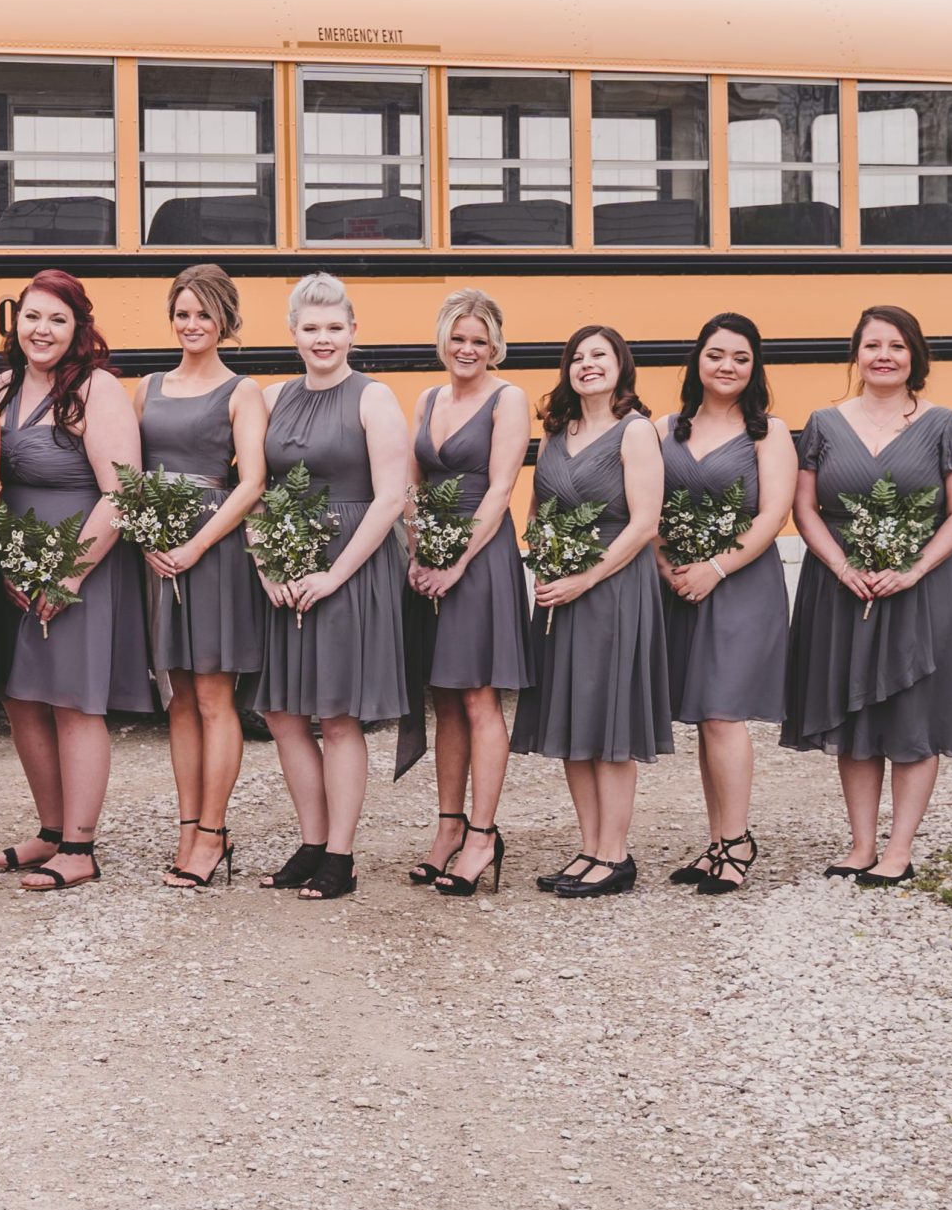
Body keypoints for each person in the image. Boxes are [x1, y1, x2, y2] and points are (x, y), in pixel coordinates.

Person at [782, 305, 952, 887]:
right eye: (873, 345)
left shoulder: (945, 424)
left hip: (920, 589)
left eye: (896, 346)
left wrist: (913, 570)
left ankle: (899, 849)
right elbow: (804, 508)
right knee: (856, 714)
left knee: (914, 717)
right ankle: (861, 844)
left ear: (914, 356)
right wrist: (842, 566)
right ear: (857, 354)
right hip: (843, 588)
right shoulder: (823, 422)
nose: (884, 356)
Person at [0, 270, 150, 894]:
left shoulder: (95, 390)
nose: (42, 330)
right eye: (32, 317)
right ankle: (51, 832)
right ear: (15, 322)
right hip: (17, 566)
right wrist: (4, 562)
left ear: (78, 327)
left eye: (57, 319)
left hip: (81, 563)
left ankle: (80, 847)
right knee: (21, 697)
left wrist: (67, 576)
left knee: (74, 702)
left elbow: (122, 493)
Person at [248, 272, 412, 903]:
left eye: (334, 327)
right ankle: (311, 841)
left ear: (353, 331)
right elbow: (256, 493)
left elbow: (390, 497)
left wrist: (333, 575)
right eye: (310, 328)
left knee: (338, 719)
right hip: (287, 572)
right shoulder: (269, 398)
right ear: (292, 333)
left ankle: (340, 855)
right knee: (284, 712)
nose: (323, 339)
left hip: (351, 571)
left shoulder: (373, 398)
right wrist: (268, 566)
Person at [512, 325, 671, 899]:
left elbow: (645, 524)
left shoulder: (636, 433)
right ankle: (588, 847)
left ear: (621, 366)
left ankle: (616, 854)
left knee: (610, 721)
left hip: (613, 589)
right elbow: (537, 507)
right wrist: (546, 562)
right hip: (561, 592)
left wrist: (585, 576)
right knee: (573, 719)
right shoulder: (558, 431)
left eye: (599, 356)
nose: (586, 365)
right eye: (577, 357)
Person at [136, 264, 268, 890]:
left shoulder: (243, 391)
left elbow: (253, 482)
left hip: (212, 549)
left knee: (215, 696)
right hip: (156, 549)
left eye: (203, 315)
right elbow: (128, 469)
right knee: (178, 697)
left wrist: (195, 545)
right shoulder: (149, 385)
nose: (191, 325)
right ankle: (188, 825)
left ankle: (213, 832)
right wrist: (147, 535)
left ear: (225, 322)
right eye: (182, 313)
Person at [658, 313, 795, 895]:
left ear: (754, 367)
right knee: (702, 717)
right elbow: (648, 503)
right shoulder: (667, 429)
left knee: (722, 712)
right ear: (698, 361)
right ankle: (717, 842)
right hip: (680, 583)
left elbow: (774, 515)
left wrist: (716, 568)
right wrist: (668, 564)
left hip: (741, 584)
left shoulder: (770, 433)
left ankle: (738, 843)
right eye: (716, 354)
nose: (727, 366)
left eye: (740, 357)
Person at [405, 289, 532, 898]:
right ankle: (447, 827)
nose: (467, 349)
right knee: (445, 697)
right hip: (431, 557)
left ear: (496, 346)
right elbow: (412, 484)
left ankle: (483, 835)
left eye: (480, 340)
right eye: (458, 337)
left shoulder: (509, 399)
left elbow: (502, 488)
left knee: (480, 695)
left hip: (480, 561)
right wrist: (414, 552)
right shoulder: (427, 399)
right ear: (442, 340)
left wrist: (455, 564)